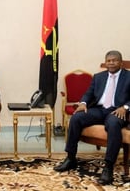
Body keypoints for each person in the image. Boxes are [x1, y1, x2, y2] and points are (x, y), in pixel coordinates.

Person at [54, 50, 130, 185]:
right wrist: (83, 103)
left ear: (121, 62)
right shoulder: (98, 77)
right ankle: (70, 158)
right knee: (76, 117)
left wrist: (125, 107)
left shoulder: (128, 76)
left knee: (113, 124)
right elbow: (89, 93)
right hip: (99, 110)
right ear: (105, 62)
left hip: (117, 111)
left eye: (114, 60)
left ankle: (108, 167)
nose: (111, 63)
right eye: (109, 60)